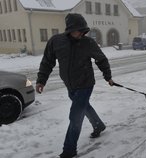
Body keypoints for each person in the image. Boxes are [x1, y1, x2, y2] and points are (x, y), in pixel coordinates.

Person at [36, 13, 114, 158]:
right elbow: (47, 61)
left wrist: (108, 77)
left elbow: (101, 59)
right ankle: (98, 125)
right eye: (79, 30)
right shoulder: (56, 42)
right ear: (70, 29)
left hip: (85, 84)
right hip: (70, 85)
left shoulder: (88, 43)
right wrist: (41, 80)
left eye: (84, 31)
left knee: (75, 116)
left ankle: (69, 150)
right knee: (84, 107)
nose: (82, 33)